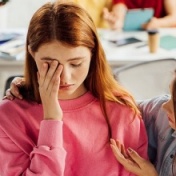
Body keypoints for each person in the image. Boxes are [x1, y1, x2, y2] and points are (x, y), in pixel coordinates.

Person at [0, 1, 148, 175]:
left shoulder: (122, 110)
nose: (65, 78)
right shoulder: (9, 115)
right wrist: (51, 121)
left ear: (93, 54)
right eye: (50, 64)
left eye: (76, 63)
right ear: (32, 53)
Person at [110, 70, 176, 176]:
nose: (165, 106)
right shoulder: (159, 110)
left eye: (175, 103)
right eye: (171, 94)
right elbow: (126, 106)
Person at [103, 0, 176, 30]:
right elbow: (119, 9)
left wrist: (158, 23)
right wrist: (116, 22)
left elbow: (174, 17)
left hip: (158, 35)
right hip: (132, 39)